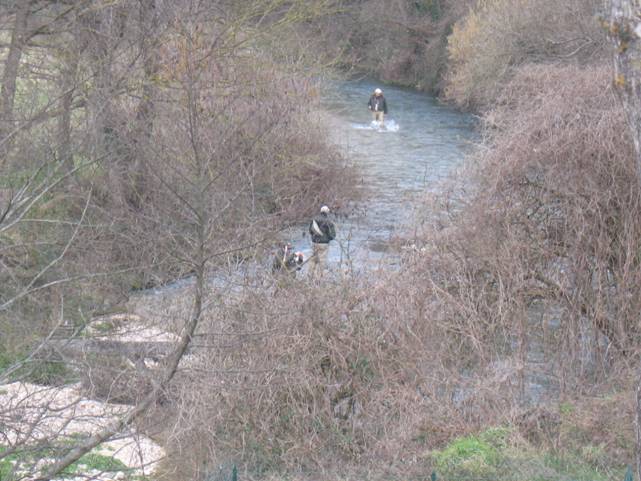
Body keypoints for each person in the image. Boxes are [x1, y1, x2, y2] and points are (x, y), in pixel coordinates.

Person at [309, 205, 336, 277]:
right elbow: (332, 235)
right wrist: (328, 239)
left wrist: (314, 238)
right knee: (322, 261)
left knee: (313, 259)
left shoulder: (314, 219)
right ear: (327, 212)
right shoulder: (329, 222)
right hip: (324, 244)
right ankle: (319, 278)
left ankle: (310, 275)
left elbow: (310, 231)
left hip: (314, 242)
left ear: (320, 211)